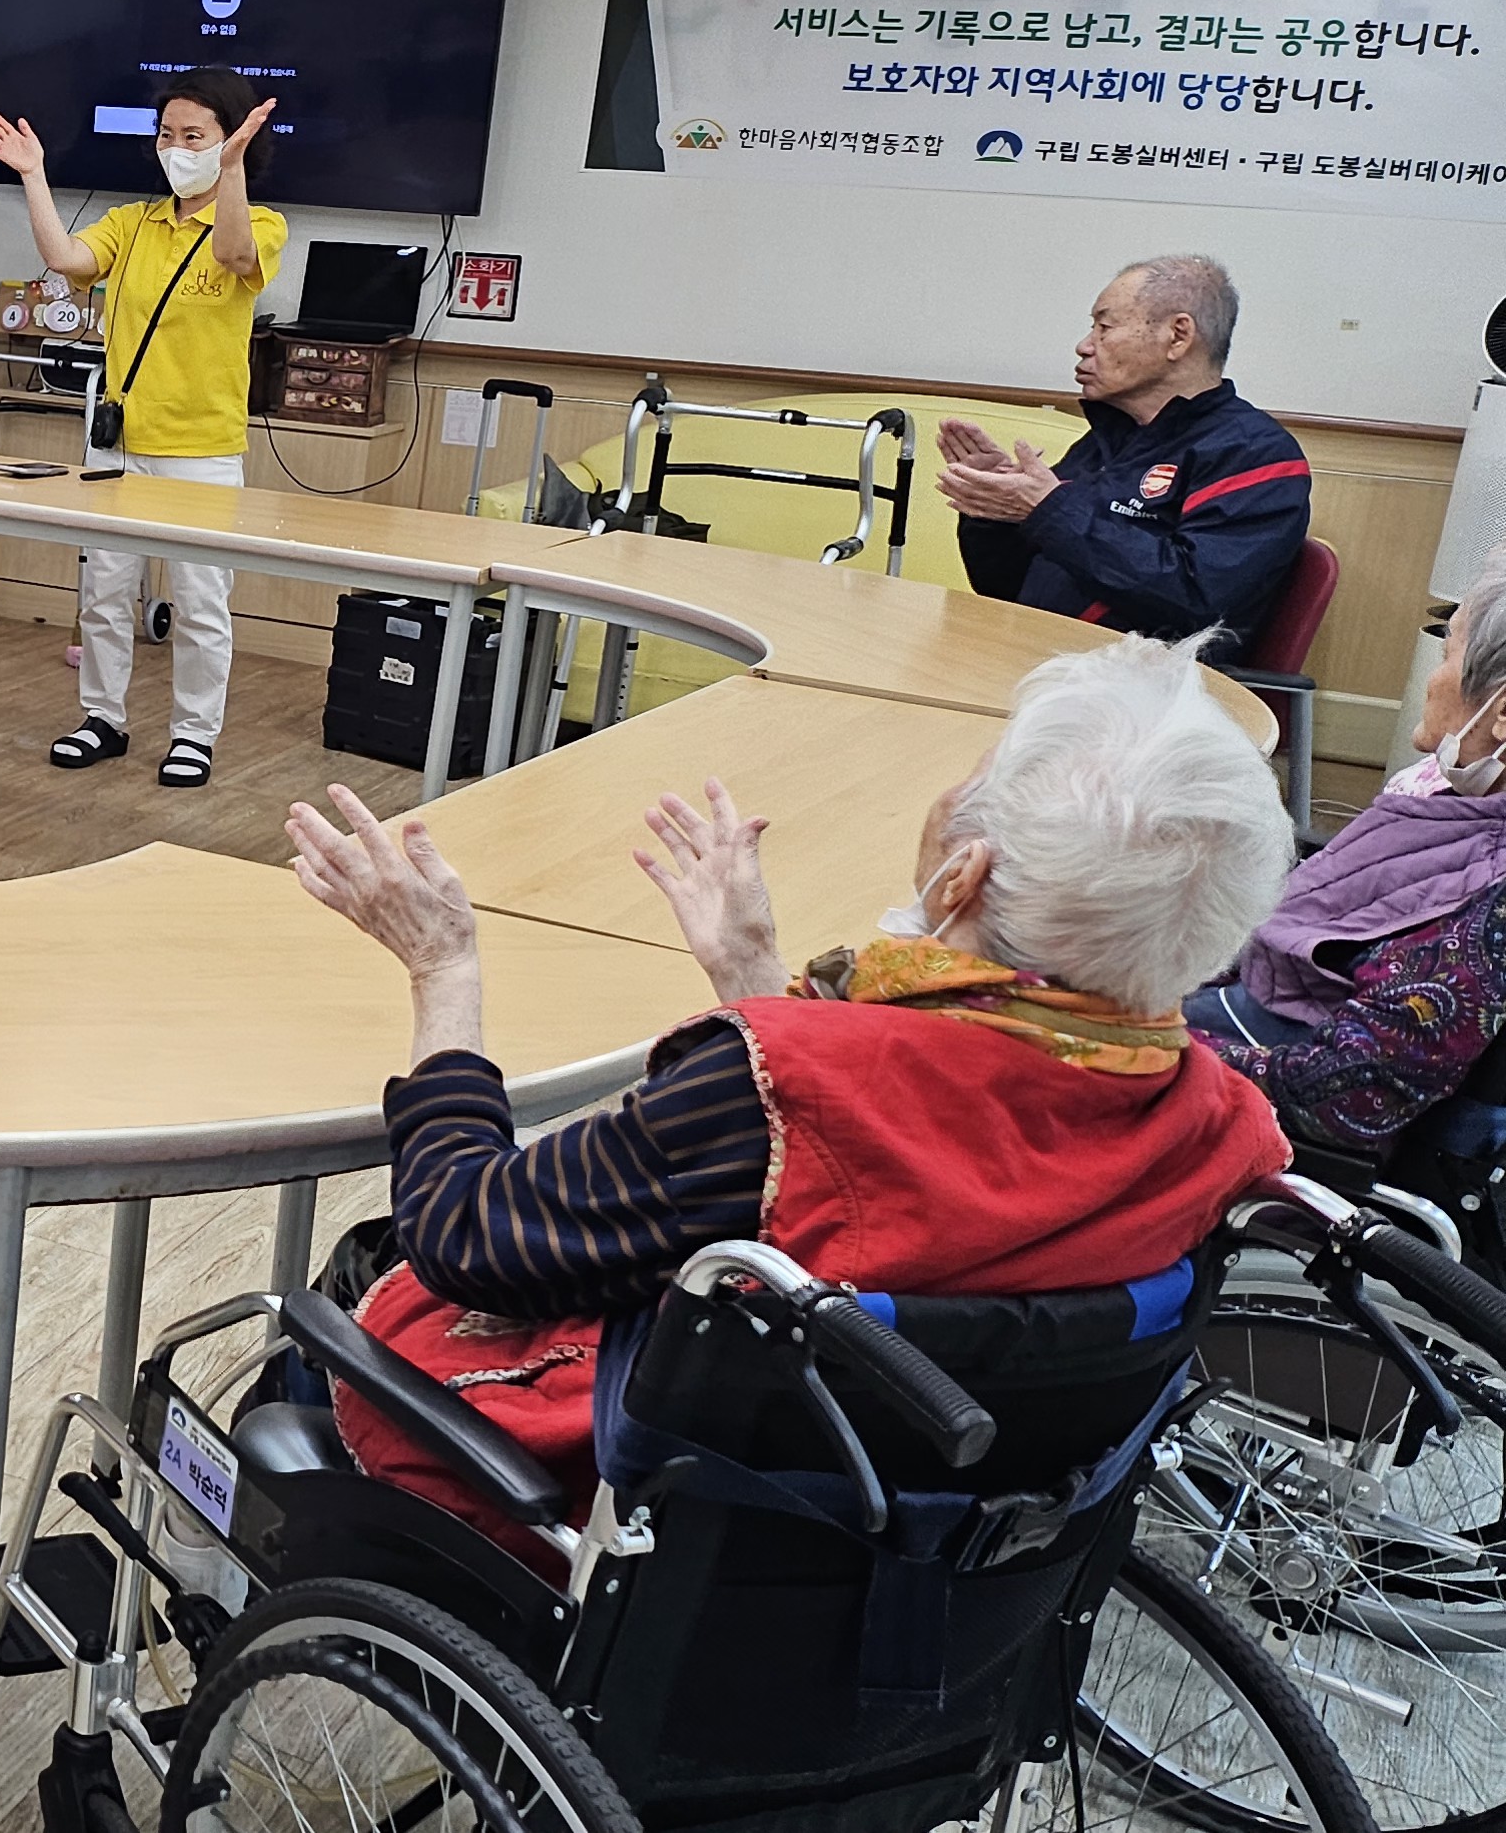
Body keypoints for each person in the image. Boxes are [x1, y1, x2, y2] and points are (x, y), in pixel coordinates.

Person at [285, 635, 1294, 1566]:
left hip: (650, 1517)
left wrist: (443, 968)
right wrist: (755, 974)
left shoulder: (763, 1091)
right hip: (916, 1540)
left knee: (352, 1283)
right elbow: (900, 1187)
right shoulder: (1220, 1125)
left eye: (978, 776)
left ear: (962, 875)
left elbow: (467, 1235)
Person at [0, 69, 285, 789]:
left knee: (200, 604)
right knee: (104, 593)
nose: (176, 148)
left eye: (195, 136)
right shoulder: (133, 222)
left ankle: (194, 735)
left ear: (230, 141)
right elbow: (66, 260)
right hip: (116, 444)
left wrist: (231, 170)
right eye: (167, 134)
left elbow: (236, 257)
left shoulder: (262, 223)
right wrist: (34, 175)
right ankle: (102, 718)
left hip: (202, 451)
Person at [1193, 552, 1506, 1153]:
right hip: (1236, 1004)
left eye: (1446, 654)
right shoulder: (1458, 808)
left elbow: (1349, 1096)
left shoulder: (1487, 905)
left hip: (1252, 1103)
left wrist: (1149, 1043)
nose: (1433, 679)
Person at [942, 256, 1312, 661]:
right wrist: (994, 511)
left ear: (1178, 336)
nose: (1084, 346)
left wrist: (1050, 511)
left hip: (1144, 683)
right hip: (1039, 656)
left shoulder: (1254, 454)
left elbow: (1197, 600)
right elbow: (1005, 587)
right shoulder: (1109, 440)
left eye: (1104, 328)